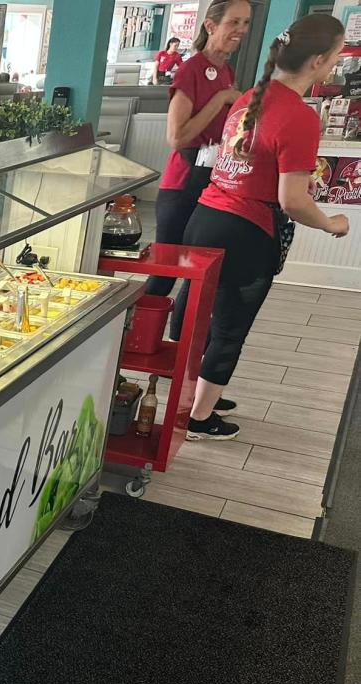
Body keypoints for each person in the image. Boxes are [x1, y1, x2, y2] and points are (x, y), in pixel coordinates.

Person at [182, 14, 349, 440]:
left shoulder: (250, 98)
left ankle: (200, 394)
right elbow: (292, 201)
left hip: (204, 219)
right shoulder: (299, 116)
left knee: (202, 319)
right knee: (229, 328)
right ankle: (199, 418)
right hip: (244, 230)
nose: (333, 67)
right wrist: (331, 223)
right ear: (316, 61)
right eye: (333, 59)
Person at [146, 0, 250, 342]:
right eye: (234, 22)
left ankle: (184, 362)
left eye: (245, 23)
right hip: (182, 186)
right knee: (166, 272)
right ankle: (134, 340)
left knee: (200, 273)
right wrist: (220, 100)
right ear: (210, 26)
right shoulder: (192, 70)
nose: (241, 31)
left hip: (213, 185)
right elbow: (177, 137)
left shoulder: (226, 72)